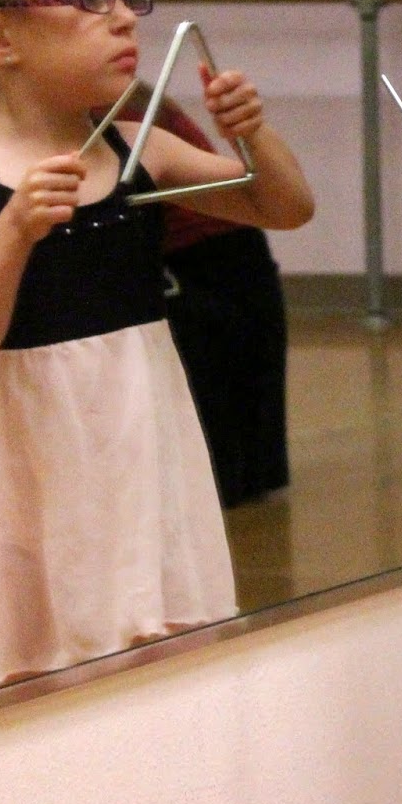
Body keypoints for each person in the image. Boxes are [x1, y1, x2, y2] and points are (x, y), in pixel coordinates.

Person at [0, 0, 314, 691]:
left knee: (154, 652)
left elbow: (281, 208)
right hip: (23, 459)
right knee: (33, 662)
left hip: (132, 440)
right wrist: (14, 232)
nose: (123, 18)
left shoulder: (138, 149)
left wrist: (252, 134)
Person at [114, 81, 291, 506]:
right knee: (237, 385)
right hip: (232, 249)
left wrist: (253, 133)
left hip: (200, 254)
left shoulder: (129, 118)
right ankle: (244, 478)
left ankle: (234, 480)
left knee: (215, 391)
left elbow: (290, 204)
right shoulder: (133, 106)